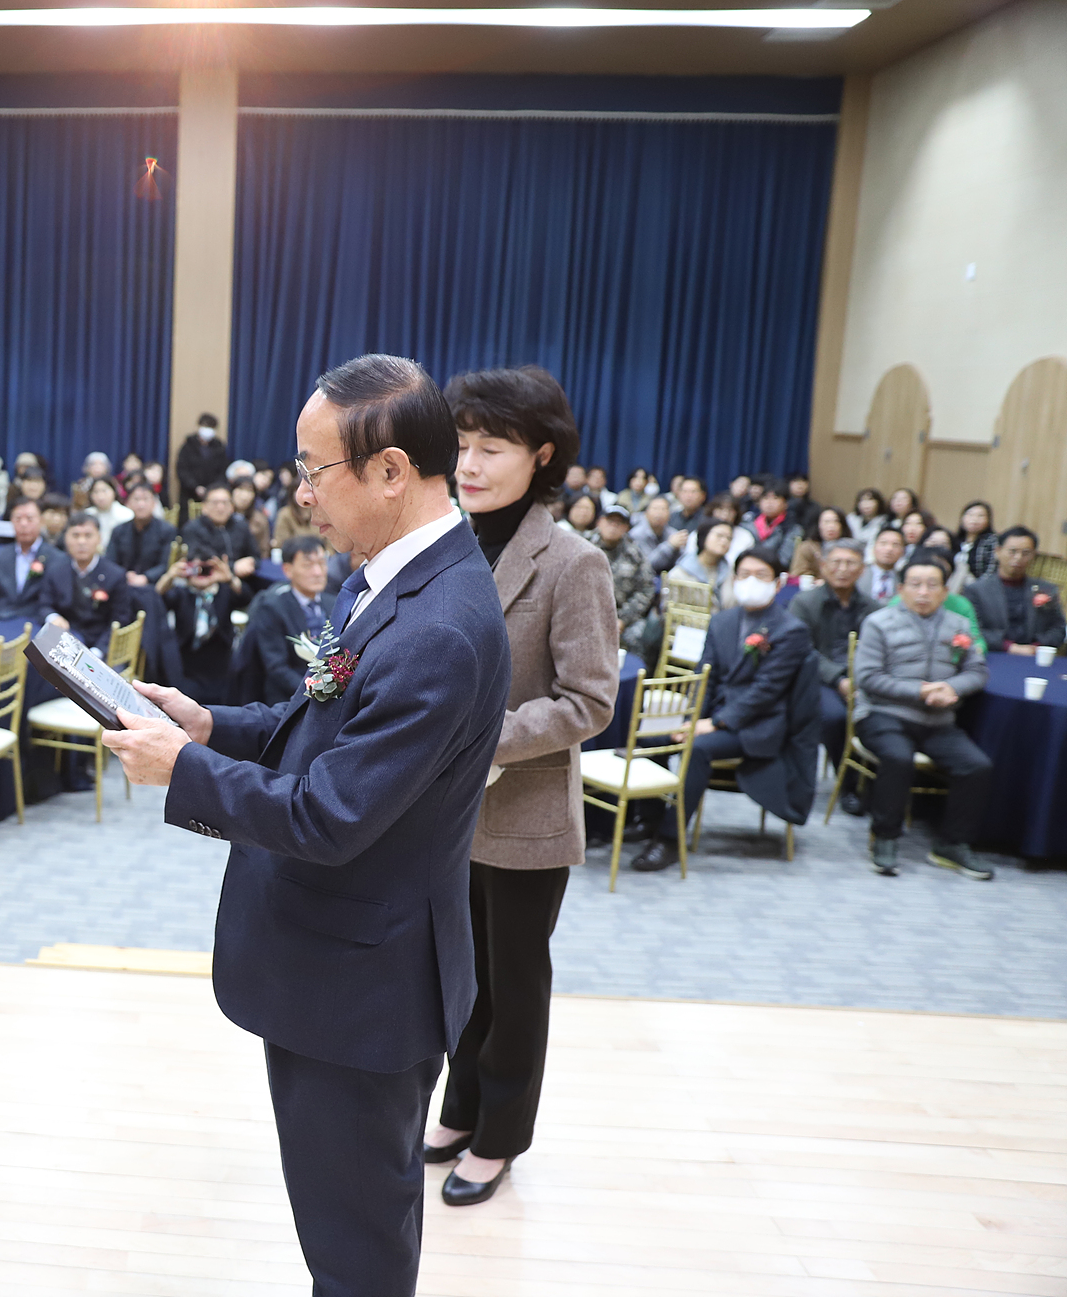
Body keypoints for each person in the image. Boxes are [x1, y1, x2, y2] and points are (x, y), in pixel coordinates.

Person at [99, 354, 510, 1294]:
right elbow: (326, 729)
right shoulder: (398, 577)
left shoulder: (439, 627)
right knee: (348, 1228)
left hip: (363, 994)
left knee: (356, 1251)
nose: (301, 494)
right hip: (340, 969)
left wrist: (180, 768)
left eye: (314, 470)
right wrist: (209, 726)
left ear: (392, 470)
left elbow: (330, 813)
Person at [435, 364, 616, 1206]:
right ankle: (460, 1107)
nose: (469, 464)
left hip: (524, 811)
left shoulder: (574, 561)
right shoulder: (450, 540)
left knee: (513, 984)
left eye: (492, 448)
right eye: (462, 444)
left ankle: (500, 1135)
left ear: (541, 455)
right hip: (445, 811)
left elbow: (590, 700)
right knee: (458, 975)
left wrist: (484, 739)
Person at [636, 550, 817, 872]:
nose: (751, 581)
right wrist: (693, 719)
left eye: (760, 575)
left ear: (778, 584)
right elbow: (706, 677)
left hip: (758, 725)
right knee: (649, 737)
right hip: (712, 718)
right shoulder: (722, 621)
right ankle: (650, 820)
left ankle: (669, 839)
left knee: (697, 749)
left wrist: (715, 723)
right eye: (744, 574)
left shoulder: (791, 630)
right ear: (734, 579)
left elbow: (765, 692)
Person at [854, 558, 995, 879]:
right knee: (897, 757)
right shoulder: (878, 622)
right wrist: (920, 691)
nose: (923, 592)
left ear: (945, 592)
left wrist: (952, 688)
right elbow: (868, 677)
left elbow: (978, 671)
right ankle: (885, 837)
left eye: (932, 585)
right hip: (884, 715)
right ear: (901, 589)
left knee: (976, 766)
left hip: (937, 721)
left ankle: (952, 844)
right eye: (915, 585)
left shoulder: (959, 625)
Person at [790, 539, 877, 813]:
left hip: (862, 679)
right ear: (824, 566)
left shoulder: (872, 607)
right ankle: (847, 785)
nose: (843, 569)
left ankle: (877, 786)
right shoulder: (805, 602)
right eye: (836, 562)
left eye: (850, 563)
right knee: (836, 717)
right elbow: (801, 649)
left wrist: (859, 679)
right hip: (817, 678)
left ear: (862, 569)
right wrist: (838, 678)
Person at [235, 535, 333, 704]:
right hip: (289, 698)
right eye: (308, 565)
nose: (317, 572)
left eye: (322, 563)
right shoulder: (272, 607)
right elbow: (277, 667)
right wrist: (316, 691)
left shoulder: (335, 602)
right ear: (287, 570)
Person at [158, 547, 246, 705]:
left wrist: (229, 578)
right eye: (196, 569)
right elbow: (157, 598)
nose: (201, 574)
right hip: (187, 662)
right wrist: (170, 576)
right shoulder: (182, 593)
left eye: (206, 569)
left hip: (220, 661)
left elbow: (245, 596)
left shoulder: (224, 591)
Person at [39, 512, 130, 650]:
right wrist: (53, 617)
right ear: (66, 538)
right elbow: (44, 604)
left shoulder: (115, 575)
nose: (81, 542)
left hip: (99, 643)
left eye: (88, 536)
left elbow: (120, 621)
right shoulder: (55, 569)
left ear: (99, 538)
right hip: (63, 639)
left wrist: (98, 651)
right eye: (75, 535)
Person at [970, 525, 1065, 655]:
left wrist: (1037, 647)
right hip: (994, 655)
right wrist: (1009, 647)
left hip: (1035, 655)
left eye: (1025, 553)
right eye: (1012, 551)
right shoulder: (977, 590)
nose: (1018, 557)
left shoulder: (1046, 589)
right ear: (997, 552)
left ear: (1033, 556)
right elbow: (974, 629)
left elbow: (1059, 628)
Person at [595, 503, 660, 661]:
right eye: (610, 522)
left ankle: (635, 675)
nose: (613, 527)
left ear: (626, 528)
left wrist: (623, 619)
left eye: (619, 524)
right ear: (600, 522)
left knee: (638, 636)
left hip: (623, 617)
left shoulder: (635, 554)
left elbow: (646, 589)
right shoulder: (583, 546)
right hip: (587, 613)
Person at [0, 496, 61, 620]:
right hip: (1, 621)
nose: (23, 524)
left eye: (29, 518)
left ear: (41, 521)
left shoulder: (56, 558)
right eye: (18, 519)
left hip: (37, 622)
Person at [106, 480, 179, 588]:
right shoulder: (119, 530)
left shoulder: (167, 530)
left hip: (155, 585)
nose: (141, 504)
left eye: (145, 499)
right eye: (136, 499)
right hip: (123, 583)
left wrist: (146, 578)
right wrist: (124, 575)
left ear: (154, 503)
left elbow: (166, 564)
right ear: (128, 503)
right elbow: (110, 561)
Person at [182, 483, 260, 578]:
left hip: (244, 577)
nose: (220, 507)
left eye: (225, 502)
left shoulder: (241, 525)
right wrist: (233, 567)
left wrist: (251, 562)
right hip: (209, 579)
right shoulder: (193, 529)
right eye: (215, 503)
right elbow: (201, 562)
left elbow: (256, 556)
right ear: (204, 506)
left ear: (232, 506)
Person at [175, 413, 229, 521]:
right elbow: (182, 470)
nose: (207, 430)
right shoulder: (187, 446)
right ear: (199, 427)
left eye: (211, 427)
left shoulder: (219, 448)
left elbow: (223, 471)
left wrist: (211, 489)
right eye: (205, 426)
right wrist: (195, 487)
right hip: (189, 493)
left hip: (212, 493)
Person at [676, 519, 738, 607]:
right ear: (704, 536)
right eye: (719, 535)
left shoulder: (731, 572)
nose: (724, 541)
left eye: (729, 538)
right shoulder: (680, 572)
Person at [745, 481, 803, 568]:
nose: (769, 503)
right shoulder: (748, 523)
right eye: (765, 498)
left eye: (775, 498)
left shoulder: (792, 529)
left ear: (785, 503)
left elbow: (784, 559)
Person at [953, 501, 998, 586]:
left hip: (978, 586)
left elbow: (991, 571)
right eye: (970, 515)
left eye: (980, 516)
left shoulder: (992, 542)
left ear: (988, 520)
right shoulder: (954, 540)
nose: (974, 519)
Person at [858, 527, 905, 603]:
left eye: (895, 544)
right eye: (883, 543)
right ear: (874, 547)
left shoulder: (903, 579)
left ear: (902, 551)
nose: (889, 549)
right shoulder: (859, 573)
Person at [84, 475, 133, 548]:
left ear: (114, 491)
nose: (100, 496)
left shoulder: (126, 514)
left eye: (104, 491)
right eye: (96, 492)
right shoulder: (87, 514)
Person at [628, 493, 676, 560]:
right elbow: (646, 563)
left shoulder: (673, 534)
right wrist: (669, 545)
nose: (659, 513)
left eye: (663, 509)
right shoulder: (636, 534)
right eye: (655, 509)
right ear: (646, 513)